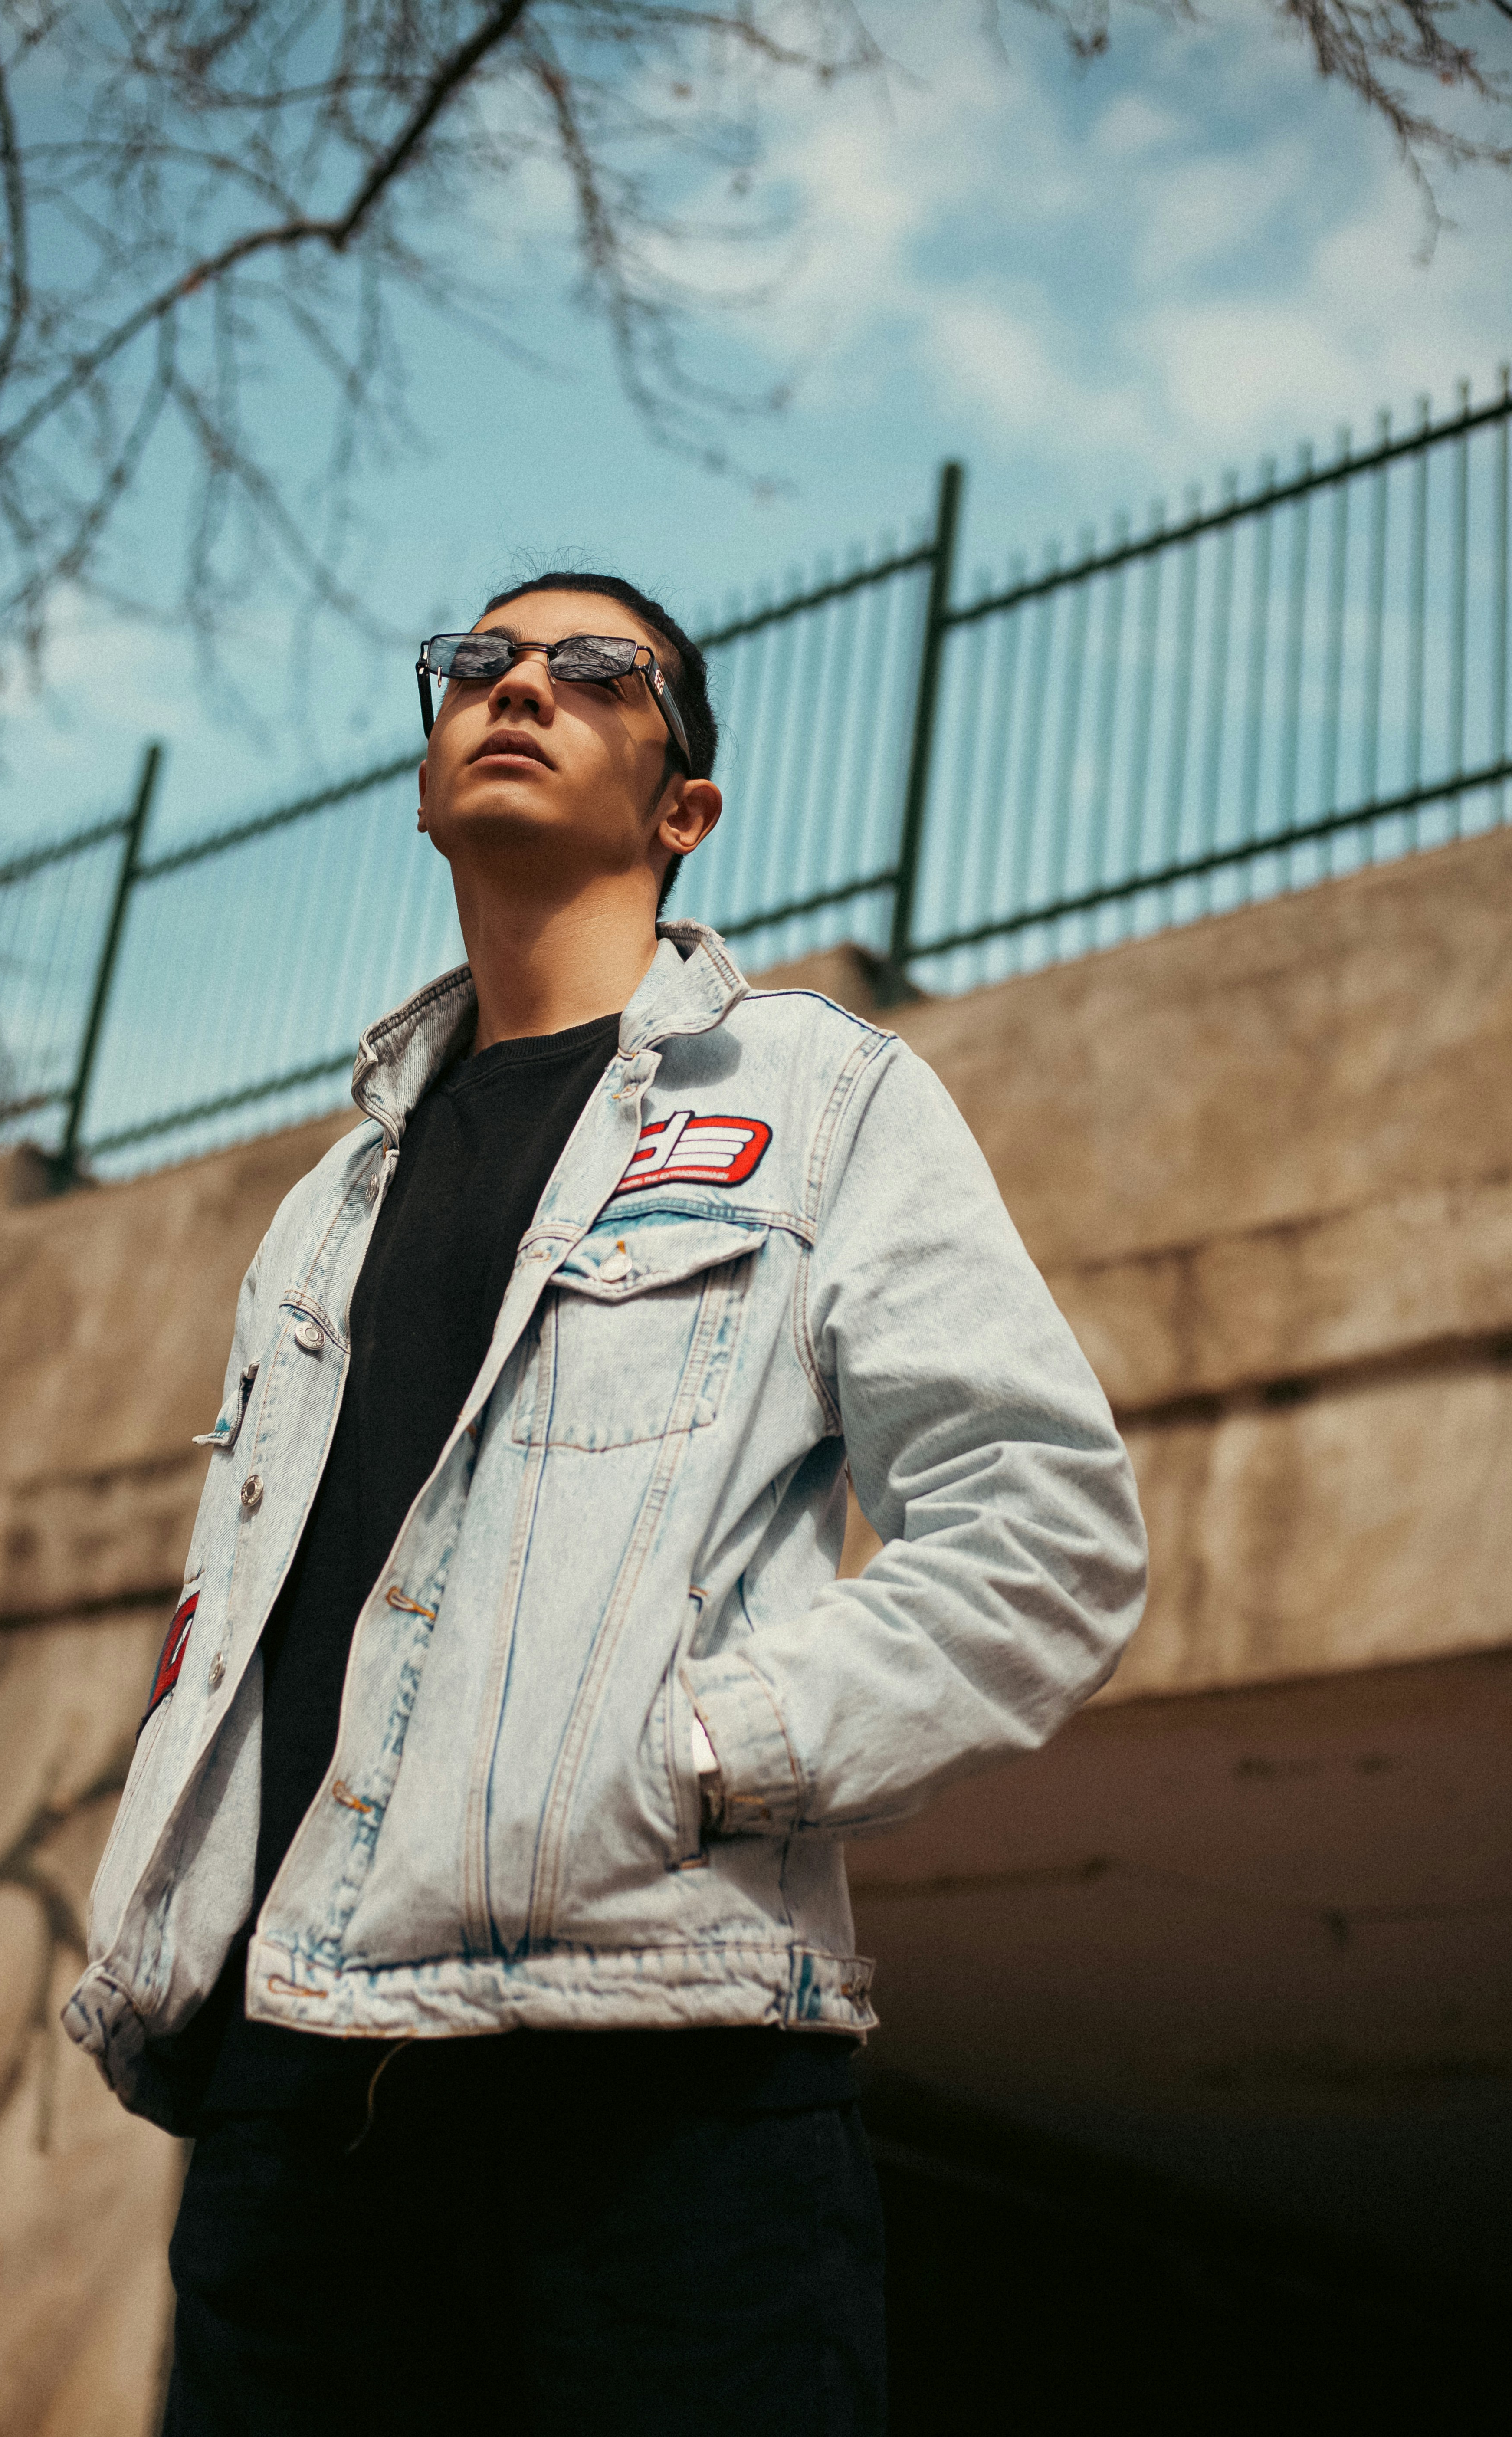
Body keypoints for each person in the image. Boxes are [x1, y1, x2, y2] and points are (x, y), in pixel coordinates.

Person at [64, 572, 1147, 2435]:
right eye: (477, 665)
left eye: (592, 670)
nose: (519, 688)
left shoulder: (825, 1103)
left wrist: (700, 1753)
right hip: (289, 2120)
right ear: (422, 780)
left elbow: (1042, 1530)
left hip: (656, 2102)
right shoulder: (323, 1204)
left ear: (682, 810)